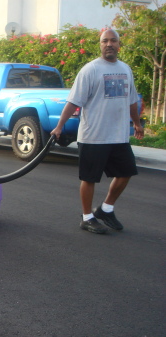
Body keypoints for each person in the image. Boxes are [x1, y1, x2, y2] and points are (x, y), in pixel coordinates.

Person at [50, 29, 144, 234]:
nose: (109, 44)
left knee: (126, 172)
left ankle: (106, 209)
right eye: (105, 41)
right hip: (93, 135)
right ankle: (87, 217)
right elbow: (74, 101)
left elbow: (132, 100)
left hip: (118, 135)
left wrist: (136, 123)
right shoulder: (90, 70)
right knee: (89, 178)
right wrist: (59, 126)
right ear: (100, 45)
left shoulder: (125, 69)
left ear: (119, 44)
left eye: (113, 41)